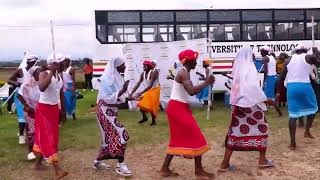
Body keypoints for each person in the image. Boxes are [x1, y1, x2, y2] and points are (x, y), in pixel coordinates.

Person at [160, 49, 215, 180]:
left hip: (178, 107)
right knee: (196, 135)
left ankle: (164, 169)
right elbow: (191, 91)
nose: (197, 61)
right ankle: (199, 171)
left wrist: (206, 81)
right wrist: (207, 82)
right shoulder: (183, 73)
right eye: (195, 59)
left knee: (177, 139)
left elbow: (189, 90)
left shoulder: (185, 72)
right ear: (189, 60)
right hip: (177, 108)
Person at [220, 46, 273, 172]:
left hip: (238, 106)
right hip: (251, 105)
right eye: (253, 55)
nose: (254, 57)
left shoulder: (238, 70)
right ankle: (262, 160)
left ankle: (224, 164)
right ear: (248, 56)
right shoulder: (250, 69)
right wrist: (266, 100)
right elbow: (253, 89)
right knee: (262, 128)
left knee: (235, 132)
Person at [93, 57, 132, 177]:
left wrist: (132, 97)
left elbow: (118, 97)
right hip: (104, 109)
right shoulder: (106, 79)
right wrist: (123, 90)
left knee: (107, 138)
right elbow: (106, 98)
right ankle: (121, 165)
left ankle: (98, 161)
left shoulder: (117, 78)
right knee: (122, 134)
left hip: (109, 110)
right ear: (117, 65)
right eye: (123, 64)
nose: (125, 66)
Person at [277, 44, 320, 150]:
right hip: (305, 86)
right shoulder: (308, 57)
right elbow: (319, 63)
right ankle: (307, 130)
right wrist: (316, 52)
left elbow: (281, 77)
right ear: (305, 50)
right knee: (314, 109)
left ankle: (292, 143)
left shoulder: (288, 60)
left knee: (293, 115)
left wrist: (278, 91)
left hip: (291, 87)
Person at [33, 54, 68, 178]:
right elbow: (42, 87)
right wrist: (51, 72)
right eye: (64, 62)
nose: (67, 64)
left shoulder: (60, 76)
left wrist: (63, 111)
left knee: (52, 137)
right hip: (43, 109)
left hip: (54, 109)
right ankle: (57, 169)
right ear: (55, 63)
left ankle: (37, 164)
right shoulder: (44, 73)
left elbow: (61, 94)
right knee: (48, 138)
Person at [7, 54, 38, 144]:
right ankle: (21, 135)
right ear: (30, 62)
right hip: (20, 97)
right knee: (22, 116)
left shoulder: (35, 71)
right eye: (35, 62)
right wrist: (17, 84)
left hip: (31, 97)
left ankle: (29, 133)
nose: (36, 64)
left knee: (31, 116)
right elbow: (9, 80)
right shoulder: (21, 71)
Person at [17, 66, 41, 161]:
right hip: (30, 111)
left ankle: (40, 149)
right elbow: (19, 95)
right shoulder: (27, 84)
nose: (41, 73)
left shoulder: (42, 83)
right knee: (31, 131)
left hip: (41, 110)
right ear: (33, 73)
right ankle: (30, 152)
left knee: (40, 132)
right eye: (38, 71)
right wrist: (25, 105)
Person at [129, 59, 160, 126]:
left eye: (145, 66)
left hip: (155, 89)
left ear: (149, 66)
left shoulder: (154, 72)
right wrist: (131, 92)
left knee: (151, 105)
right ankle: (145, 117)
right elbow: (138, 83)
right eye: (143, 66)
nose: (143, 67)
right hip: (148, 90)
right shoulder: (143, 73)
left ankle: (153, 122)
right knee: (141, 103)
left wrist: (141, 92)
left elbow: (150, 85)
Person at [260, 46, 282, 116]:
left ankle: (267, 111)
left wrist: (264, 80)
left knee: (267, 97)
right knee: (269, 96)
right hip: (274, 77)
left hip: (269, 78)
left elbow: (265, 70)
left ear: (265, 52)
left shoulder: (265, 58)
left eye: (261, 51)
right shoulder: (272, 57)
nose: (260, 53)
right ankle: (265, 110)